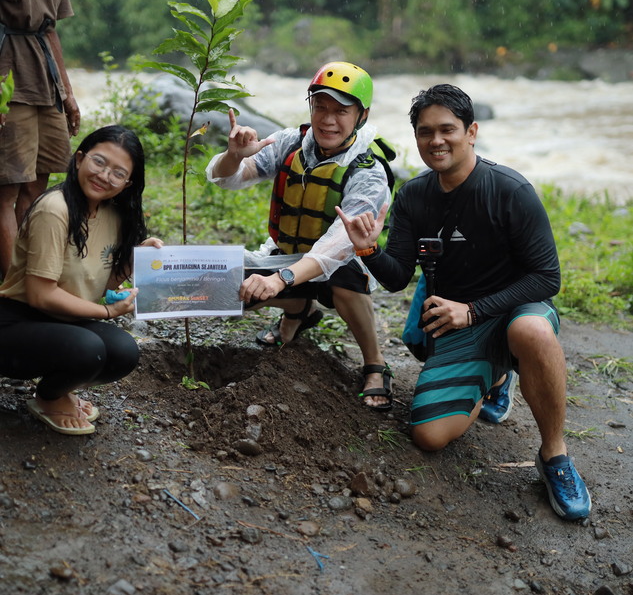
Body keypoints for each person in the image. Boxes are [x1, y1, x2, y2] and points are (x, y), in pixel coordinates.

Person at [336, 84, 591, 521]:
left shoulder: (510, 190)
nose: (436, 140)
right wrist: (368, 250)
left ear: (471, 132)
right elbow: (397, 278)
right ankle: (497, 375)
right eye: (425, 132)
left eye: (447, 129)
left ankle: (554, 455)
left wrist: (473, 310)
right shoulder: (414, 197)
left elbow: (547, 278)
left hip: (514, 309)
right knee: (430, 436)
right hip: (458, 324)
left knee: (530, 331)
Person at [206, 62, 395, 410]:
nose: (328, 120)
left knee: (345, 276)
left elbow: (338, 246)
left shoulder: (368, 172)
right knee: (231, 286)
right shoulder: (291, 142)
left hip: (338, 267)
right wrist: (233, 156)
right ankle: (299, 310)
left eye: (341, 111)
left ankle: (375, 362)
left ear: (362, 116)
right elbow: (228, 177)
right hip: (287, 257)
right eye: (320, 107)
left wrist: (280, 279)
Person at [0, 125, 162, 436]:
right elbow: (40, 295)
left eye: (118, 173)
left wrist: (133, 261)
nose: (104, 176)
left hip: (60, 323)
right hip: (14, 322)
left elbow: (97, 283)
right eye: (99, 162)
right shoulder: (54, 209)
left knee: (124, 351)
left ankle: (55, 390)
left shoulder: (113, 215)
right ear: (79, 159)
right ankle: (51, 399)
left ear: (128, 183)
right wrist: (107, 312)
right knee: (88, 349)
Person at [0, 0, 81, 278]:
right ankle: (12, 288)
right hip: (9, 78)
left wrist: (67, 92)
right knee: (7, 189)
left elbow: (49, 29)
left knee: (37, 184)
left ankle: (32, 276)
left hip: (45, 82)